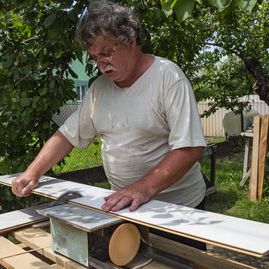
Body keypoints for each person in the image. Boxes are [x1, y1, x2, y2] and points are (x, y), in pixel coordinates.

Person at [12, 0, 207, 249]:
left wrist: (143, 187)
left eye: (107, 52)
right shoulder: (98, 90)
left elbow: (190, 148)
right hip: (125, 207)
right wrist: (33, 172)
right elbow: (67, 136)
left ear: (131, 40)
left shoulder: (168, 78)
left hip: (179, 212)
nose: (102, 64)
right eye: (94, 58)